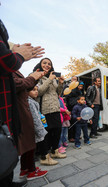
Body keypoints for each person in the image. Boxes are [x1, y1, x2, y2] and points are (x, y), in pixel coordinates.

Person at [0, 17, 44, 186]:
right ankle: (28, 169)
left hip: (15, 111)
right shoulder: (13, 67)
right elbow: (21, 83)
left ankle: (12, 177)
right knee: (17, 144)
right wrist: (17, 56)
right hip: (13, 110)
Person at [33, 58, 67, 160]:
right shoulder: (36, 75)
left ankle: (55, 151)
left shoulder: (53, 78)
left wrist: (60, 83)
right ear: (40, 64)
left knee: (57, 130)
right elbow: (39, 92)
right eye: (45, 63)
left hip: (55, 108)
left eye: (49, 64)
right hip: (44, 109)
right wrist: (49, 79)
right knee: (46, 133)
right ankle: (45, 156)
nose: (47, 65)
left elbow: (58, 94)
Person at [26, 85, 48, 180]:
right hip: (33, 130)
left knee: (29, 151)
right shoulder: (30, 102)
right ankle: (31, 171)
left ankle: (27, 169)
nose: (36, 92)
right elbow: (35, 119)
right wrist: (41, 132)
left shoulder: (30, 101)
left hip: (30, 130)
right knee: (31, 150)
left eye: (37, 90)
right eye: (33, 90)